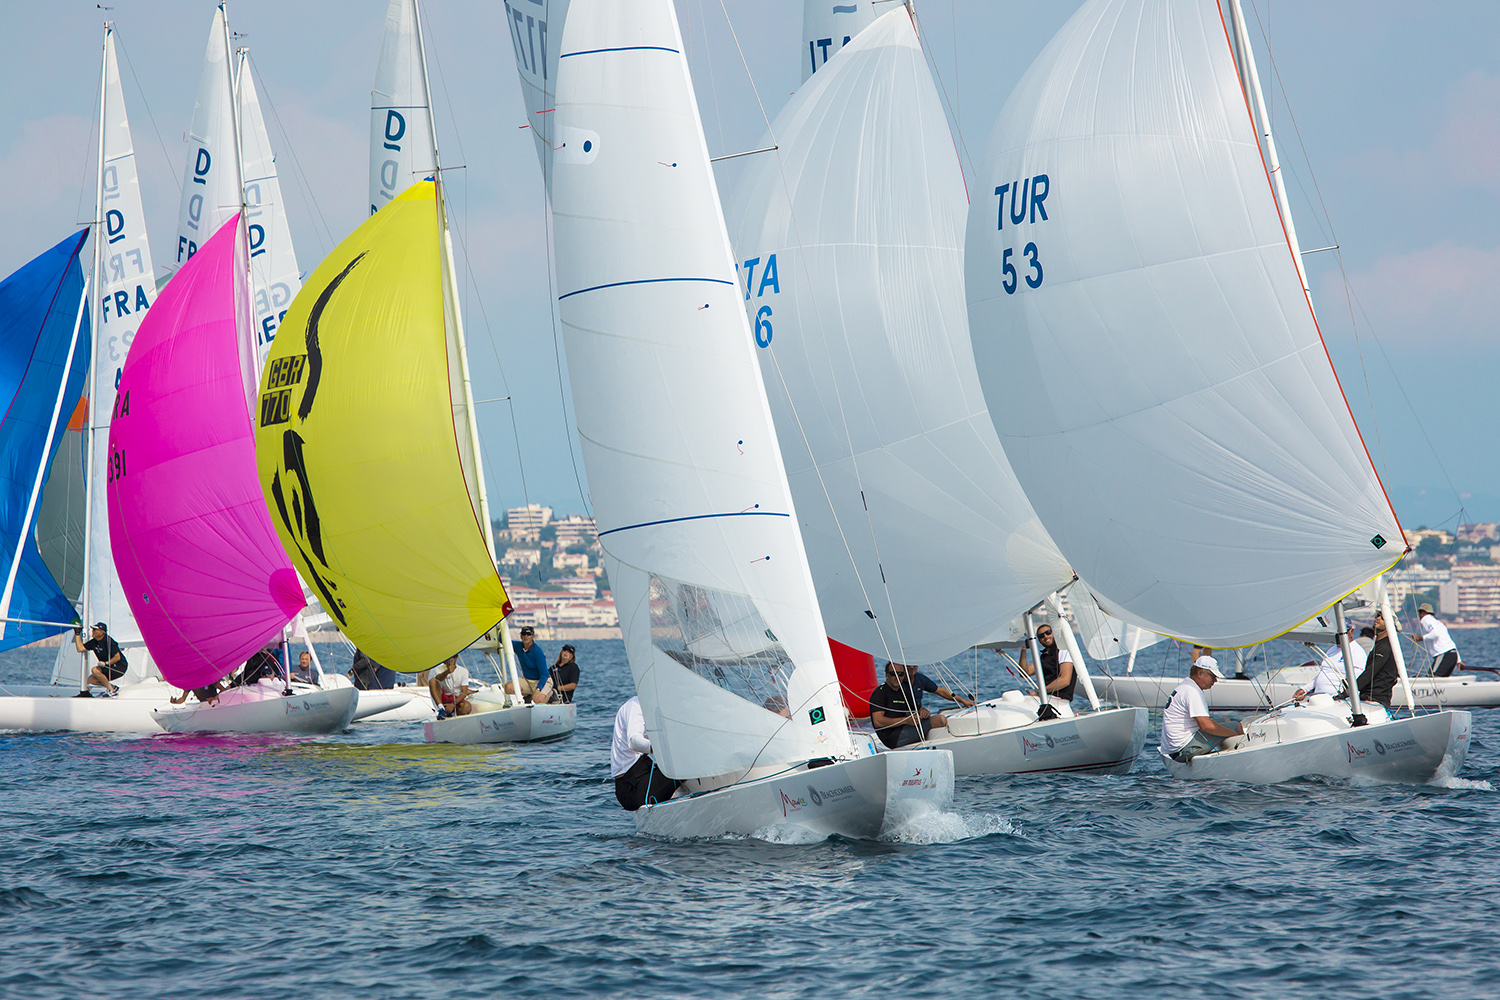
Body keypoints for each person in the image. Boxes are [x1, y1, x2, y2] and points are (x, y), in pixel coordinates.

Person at [867, 662, 974, 749]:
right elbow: (878, 722)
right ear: (886, 675)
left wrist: (923, 712)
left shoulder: (903, 691)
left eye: (900, 674)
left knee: (937, 719)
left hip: (905, 728)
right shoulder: (880, 693)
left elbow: (918, 707)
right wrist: (906, 720)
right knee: (940, 720)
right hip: (892, 738)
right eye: (893, 674)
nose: (897, 677)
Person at [1161, 656, 1243, 763]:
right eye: (1212, 676)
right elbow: (1205, 726)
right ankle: (1241, 760)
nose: (1215, 681)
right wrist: (1233, 734)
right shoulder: (1192, 691)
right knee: (1236, 726)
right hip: (1183, 750)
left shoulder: (1186, 684)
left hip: (1175, 747)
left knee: (1225, 720)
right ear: (1200, 673)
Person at [611, 695, 680, 810]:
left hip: (645, 773)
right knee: (684, 763)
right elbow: (634, 741)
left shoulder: (660, 706)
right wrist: (656, 747)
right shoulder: (635, 705)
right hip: (632, 787)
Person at [1294, 624, 1367, 702]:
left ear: (1351, 632)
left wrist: (1341, 696)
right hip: (1318, 697)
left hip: (1337, 700)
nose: (1338, 635)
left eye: (1341, 632)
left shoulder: (1357, 651)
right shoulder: (1332, 650)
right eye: (1336, 631)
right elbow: (1324, 673)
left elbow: (1356, 679)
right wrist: (1304, 689)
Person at [1018, 624, 1078, 701]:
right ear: (1039, 641)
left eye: (1048, 632)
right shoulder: (1044, 656)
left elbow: (1065, 680)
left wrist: (1039, 692)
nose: (1046, 636)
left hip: (1059, 700)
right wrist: (1023, 650)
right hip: (1045, 698)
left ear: (1054, 633)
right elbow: (1024, 673)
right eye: (1041, 636)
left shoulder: (1063, 651)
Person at [1358, 611, 1402, 709]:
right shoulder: (1379, 644)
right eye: (1377, 616)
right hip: (1367, 697)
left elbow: (1370, 672)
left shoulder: (1385, 646)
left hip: (1376, 699)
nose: (1377, 618)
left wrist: (1350, 691)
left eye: (1382, 618)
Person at [73, 622, 128, 697]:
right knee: (91, 680)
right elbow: (80, 649)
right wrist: (77, 634)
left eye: (95, 630)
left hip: (119, 667)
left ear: (102, 632)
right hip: (107, 666)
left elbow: (117, 657)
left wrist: (106, 663)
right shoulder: (94, 642)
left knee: (95, 670)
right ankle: (113, 687)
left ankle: (111, 691)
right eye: (93, 629)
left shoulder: (109, 641)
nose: (92, 631)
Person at [1409, 603, 1460, 677]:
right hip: (1453, 655)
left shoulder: (1426, 620)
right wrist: (1458, 661)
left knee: (1432, 678)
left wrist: (1420, 638)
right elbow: (1451, 644)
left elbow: (1435, 634)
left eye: (1419, 613)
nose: (1419, 615)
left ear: (1423, 613)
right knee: (1437, 679)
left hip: (1443, 655)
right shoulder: (1438, 623)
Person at [507, 626, 548, 701]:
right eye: (523, 634)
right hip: (527, 680)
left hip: (541, 681)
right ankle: (528, 695)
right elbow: (504, 640)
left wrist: (538, 689)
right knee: (508, 687)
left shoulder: (538, 652)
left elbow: (544, 674)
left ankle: (551, 693)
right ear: (520, 636)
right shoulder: (518, 646)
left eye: (528, 634)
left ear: (533, 637)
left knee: (538, 700)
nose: (526, 636)